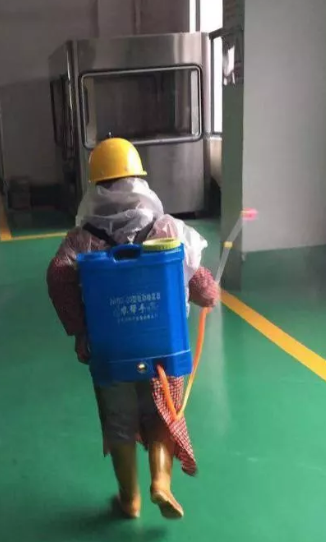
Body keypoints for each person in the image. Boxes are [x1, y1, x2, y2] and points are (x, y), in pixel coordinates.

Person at [46, 138, 218, 520]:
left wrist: (80, 330)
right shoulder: (168, 231)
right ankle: (161, 482)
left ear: (95, 187)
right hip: (162, 351)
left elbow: (58, 275)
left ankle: (130, 500)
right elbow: (199, 282)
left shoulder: (82, 240)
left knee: (119, 424)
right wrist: (208, 293)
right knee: (163, 416)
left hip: (110, 353)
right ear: (140, 182)